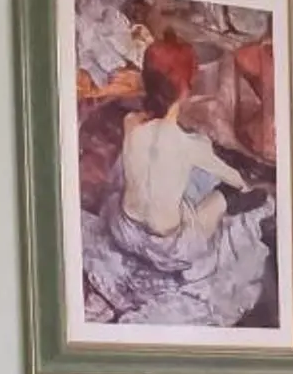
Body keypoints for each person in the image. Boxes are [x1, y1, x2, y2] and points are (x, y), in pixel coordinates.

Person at [115, 53, 271, 327]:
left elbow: (151, 137)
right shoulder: (190, 145)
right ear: (187, 90)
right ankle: (225, 205)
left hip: (123, 229)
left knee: (163, 181)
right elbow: (240, 181)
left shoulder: (130, 123)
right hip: (169, 250)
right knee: (238, 191)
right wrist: (243, 176)